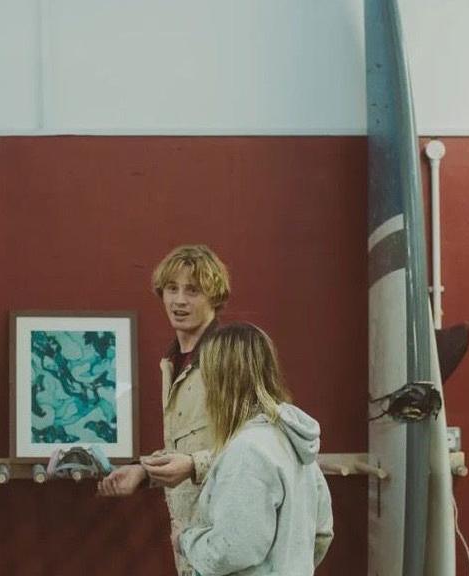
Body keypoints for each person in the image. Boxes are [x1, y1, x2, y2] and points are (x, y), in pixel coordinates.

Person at [98, 244, 231, 575]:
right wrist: (143, 473)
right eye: (172, 289)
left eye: (193, 290)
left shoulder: (231, 358)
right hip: (191, 545)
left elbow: (264, 449)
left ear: (214, 297)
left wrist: (191, 464)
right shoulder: (173, 363)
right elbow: (185, 449)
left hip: (229, 541)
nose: (179, 300)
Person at [175, 323, 333, 575]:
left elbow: (232, 550)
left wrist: (186, 541)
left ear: (221, 382)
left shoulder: (247, 452)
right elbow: (321, 532)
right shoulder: (292, 442)